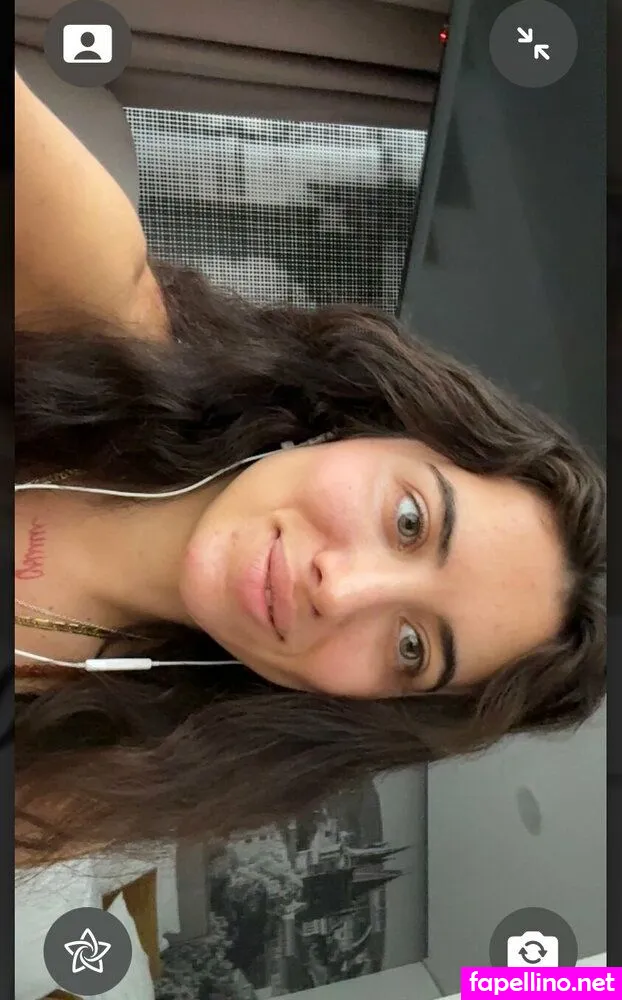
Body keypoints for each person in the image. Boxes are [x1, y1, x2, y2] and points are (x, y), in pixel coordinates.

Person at [14, 71, 605, 868]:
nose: (344, 590)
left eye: (410, 649)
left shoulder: (90, 776)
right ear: (369, 425)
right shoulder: (82, 287)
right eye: (409, 521)